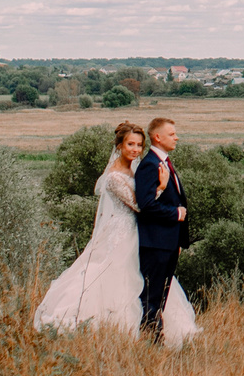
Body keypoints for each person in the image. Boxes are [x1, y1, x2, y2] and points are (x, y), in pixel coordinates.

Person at [33, 120, 198, 348]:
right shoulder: (113, 177)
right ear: (119, 145)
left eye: (139, 145)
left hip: (139, 232)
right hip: (122, 232)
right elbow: (140, 205)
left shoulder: (136, 168)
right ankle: (115, 331)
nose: (135, 150)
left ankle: (150, 333)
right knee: (117, 279)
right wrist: (161, 188)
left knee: (145, 283)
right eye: (130, 144)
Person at [132, 116, 192, 339]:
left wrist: (178, 241)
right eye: (171, 134)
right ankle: (149, 338)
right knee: (152, 295)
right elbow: (145, 205)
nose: (176, 137)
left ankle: (155, 337)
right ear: (157, 137)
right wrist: (175, 214)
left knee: (161, 295)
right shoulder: (149, 165)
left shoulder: (164, 162)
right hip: (155, 243)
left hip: (168, 243)